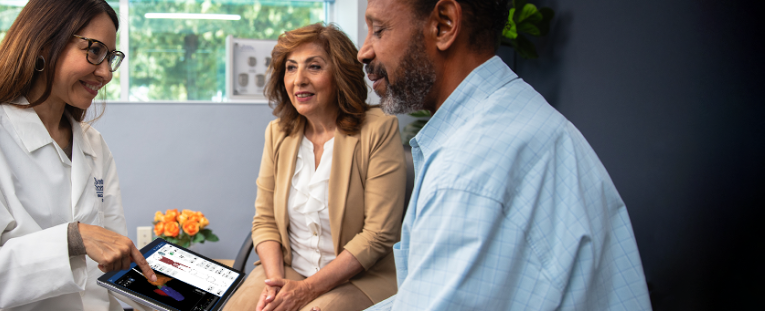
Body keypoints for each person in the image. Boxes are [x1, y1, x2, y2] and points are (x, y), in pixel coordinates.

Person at [358, 0, 652, 310]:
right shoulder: (511, 116)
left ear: (443, 25)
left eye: (379, 30)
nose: (363, 51)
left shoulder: (470, 170)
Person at [0, 1, 157, 310]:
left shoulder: (93, 145)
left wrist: (182, 292)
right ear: (45, 43)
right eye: (94, 51)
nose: (105, 73)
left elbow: (113, 262)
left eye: (110, 57)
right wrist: (72, 240)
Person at [224, 23, 407, 311]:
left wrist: (305, 292)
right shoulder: (278, 133)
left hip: (357, 278)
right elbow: (265, 221)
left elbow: (378, 235)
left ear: (340, 74)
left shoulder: (379, 130)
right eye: (291, 68)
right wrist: (277, 286)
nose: (299, 80)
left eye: (314, 67)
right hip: (288, 271)